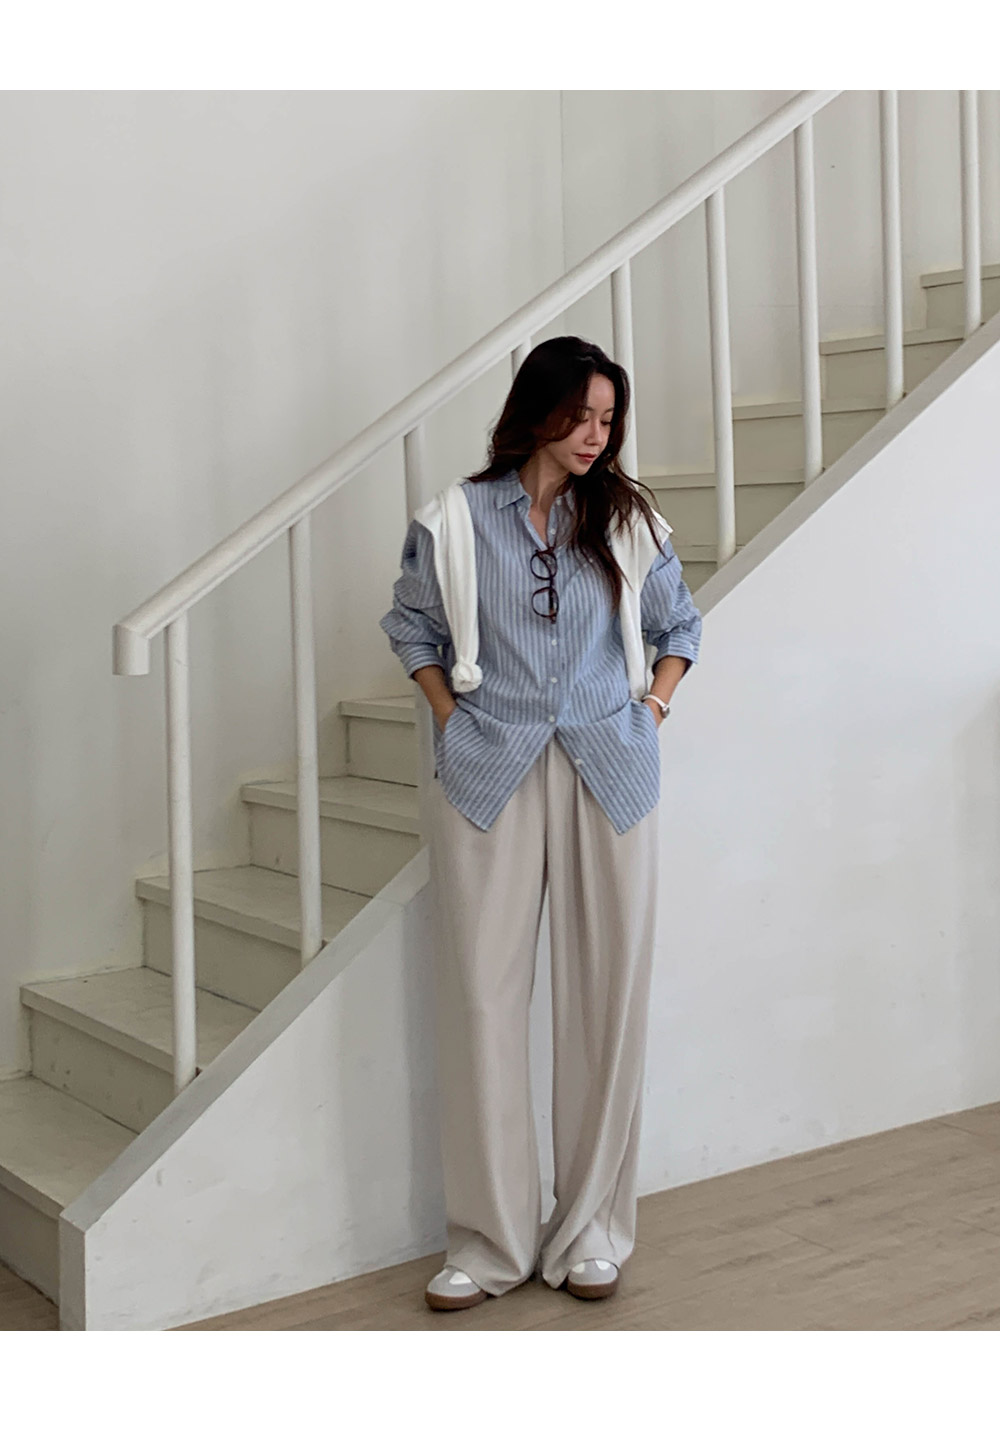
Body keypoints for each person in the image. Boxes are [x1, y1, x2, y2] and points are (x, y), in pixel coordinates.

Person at [378, 335, 702, 1312]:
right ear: (537, 411)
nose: (596, 435)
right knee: (482, 1000)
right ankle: (487, 1241)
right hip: (490, 770)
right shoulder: (455, 518)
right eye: (580, 415)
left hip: (612, 769)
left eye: (608, 419)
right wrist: (451, 717)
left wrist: (651, 709)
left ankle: (590, 1227)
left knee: (607, 998)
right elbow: (413, 626)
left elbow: (678, 627)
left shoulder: (629, 520)